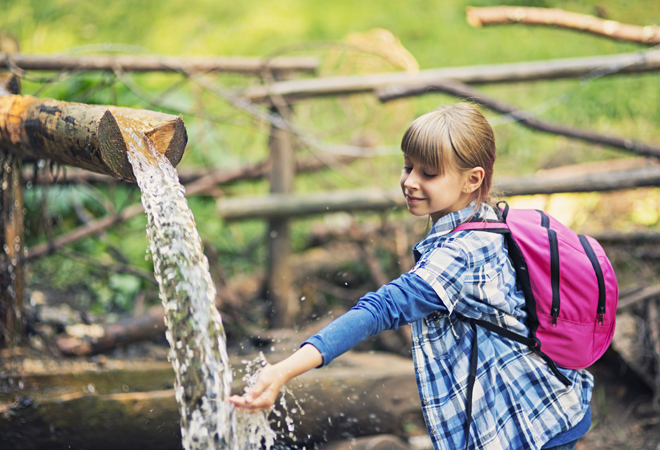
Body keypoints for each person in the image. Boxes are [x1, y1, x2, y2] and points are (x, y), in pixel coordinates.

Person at [229, 103, 593, 450]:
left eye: (429, 174)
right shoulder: (481, 220)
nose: (410, 181)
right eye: (408, 167)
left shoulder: (460, 254)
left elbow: (380, 309)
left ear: (472, 179)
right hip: (537, 405)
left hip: (530, 421)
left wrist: (283, 370)